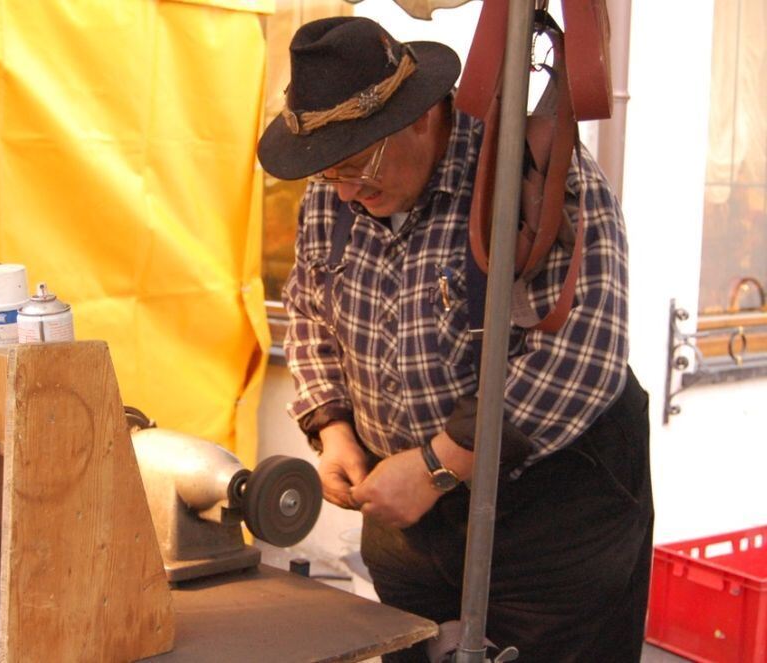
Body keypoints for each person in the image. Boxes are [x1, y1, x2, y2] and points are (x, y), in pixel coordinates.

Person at [257, 16, 653, 663]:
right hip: (407, 515)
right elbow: (309, 313)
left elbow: (580, 358)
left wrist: (440, 465)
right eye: (332, 174)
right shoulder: (337, 194)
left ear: (419, 116)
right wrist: (333, 430)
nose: (348, 193)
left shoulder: (528, 173)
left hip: (553, 514)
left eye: (359, 165)